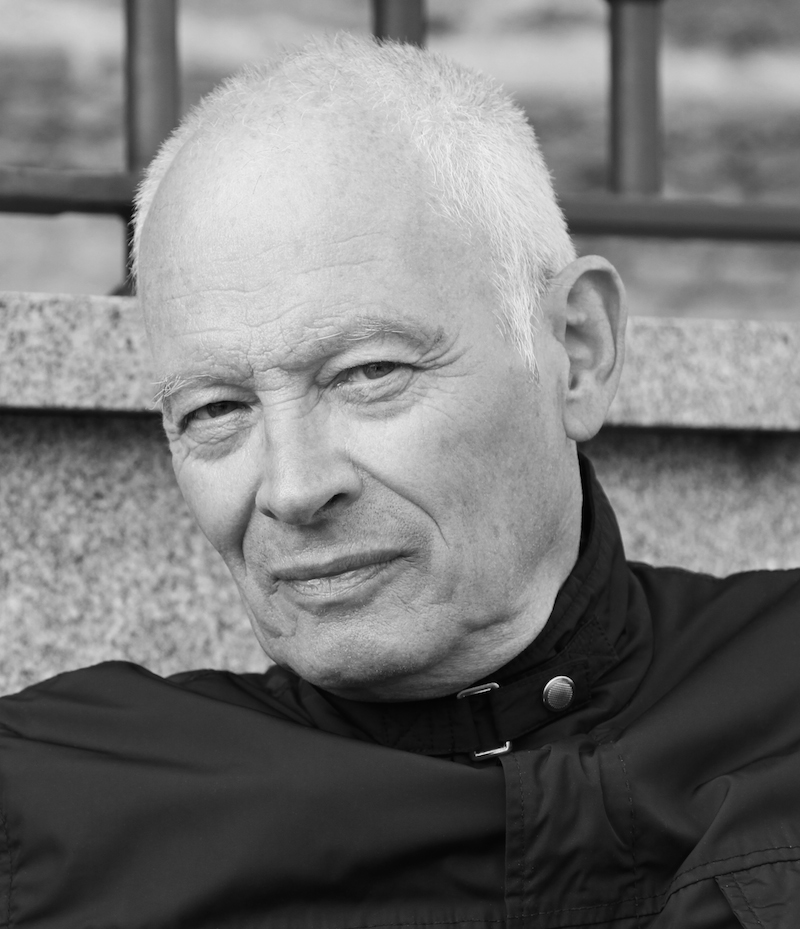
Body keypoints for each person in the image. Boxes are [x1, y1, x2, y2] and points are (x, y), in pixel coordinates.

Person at [1, 33, 798, 929]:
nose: (294, 488)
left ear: (577, 352)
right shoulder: (56, 818)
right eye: (216, 409)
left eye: (369, 373)